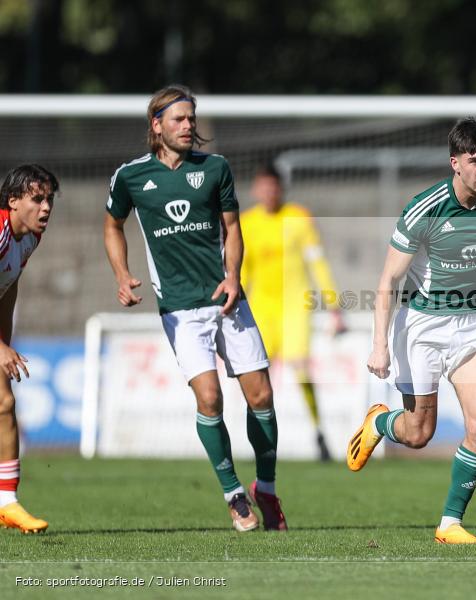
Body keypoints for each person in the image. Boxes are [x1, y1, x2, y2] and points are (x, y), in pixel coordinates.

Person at [347, 117, 476, 544]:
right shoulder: (425, 208)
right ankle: (380, 424)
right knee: (419, 433)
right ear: (455, 162)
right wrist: (379, 345)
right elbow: (389, 281)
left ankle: (450, 524)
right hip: (421, 326)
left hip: (473, 325)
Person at [103, 84, 285, 532]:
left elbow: (233, 229)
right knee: (209, 397)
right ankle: (233, 493)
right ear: (157, 125)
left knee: (260, 395)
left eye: (191, 119)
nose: (188, 126)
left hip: (226, 300)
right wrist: (121, 274)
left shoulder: (216, 168)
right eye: (179, 119)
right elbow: (112, 226)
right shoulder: (130, 177)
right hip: (180, 309)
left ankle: (266, 487)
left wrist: (233, 277)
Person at [241, 164, 346, 461]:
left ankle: (319, 433)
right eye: (263, 186)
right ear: (256, 189)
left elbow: (317, 263)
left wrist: (333, 304)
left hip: (294, 306)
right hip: (261, 307)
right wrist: (234, 308)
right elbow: (242, 271)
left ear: (281, 188)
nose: (269, 192)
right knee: (256, 375)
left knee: (300, 368)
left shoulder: (298, 218)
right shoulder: (247, 223)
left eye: (274, 186)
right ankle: (261, 440)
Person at [0, 165, 57, 534]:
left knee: (4, 403)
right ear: (13, 201)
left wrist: (5, 346)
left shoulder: (29, 238)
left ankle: (7, 504)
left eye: (49, 199)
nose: (46, 207)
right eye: (37, 199)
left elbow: (8, 288)